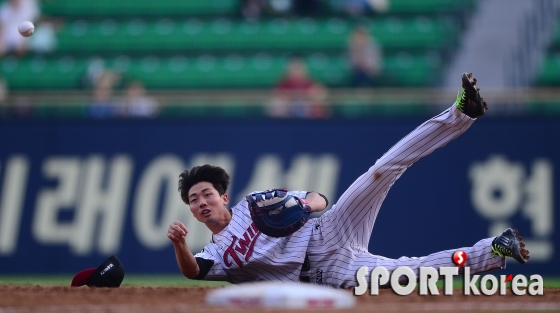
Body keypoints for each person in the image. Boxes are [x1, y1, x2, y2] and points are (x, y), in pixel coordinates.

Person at [168, 73, 530, 287]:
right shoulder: (215, 253)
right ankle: (494, 248)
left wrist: (307, 205)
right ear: (194, 213)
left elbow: (318, 197)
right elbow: (194, 271)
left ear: (224, 196)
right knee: (410, 272)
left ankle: (460, 113)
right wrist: (180, 245)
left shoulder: (254, 204)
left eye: (207, 194)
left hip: (329, 230)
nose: (201, 202)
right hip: (328, 273)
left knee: (380, 171)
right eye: (195, 201)